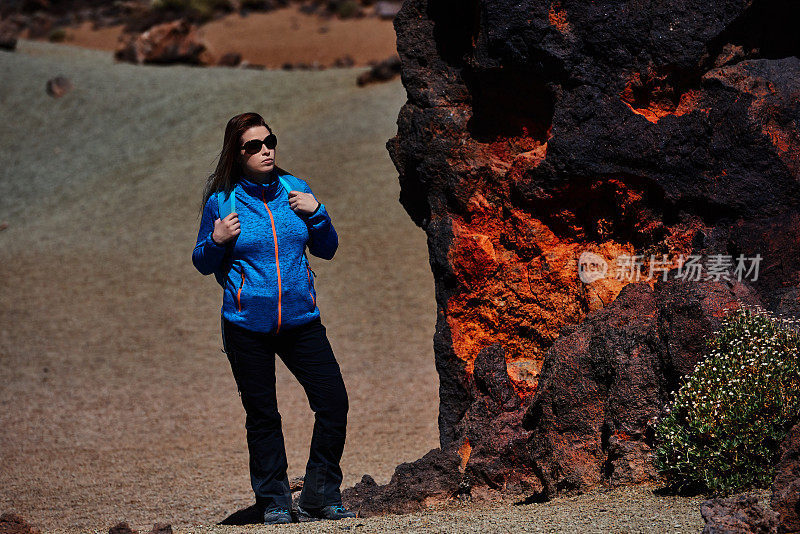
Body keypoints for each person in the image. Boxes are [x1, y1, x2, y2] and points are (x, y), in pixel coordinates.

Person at [192, 112, 356, 524]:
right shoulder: (223, 202)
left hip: (302, 320)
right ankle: (275, 501)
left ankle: (319, 494)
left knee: (334, 402)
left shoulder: (295, 190)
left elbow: (329, 248)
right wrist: (217, 239)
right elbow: (201, 261)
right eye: (254, 145)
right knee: (263, 415)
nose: (266, 150)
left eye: (270, 141)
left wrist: (317, 212)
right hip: (247, 325)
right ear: (237, 153)